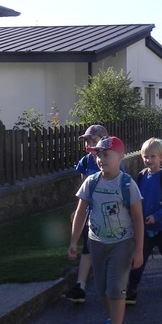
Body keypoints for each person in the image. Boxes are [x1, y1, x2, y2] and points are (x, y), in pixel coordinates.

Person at [68, 136, 144, 324]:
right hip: (96, 242)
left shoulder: (127, 184)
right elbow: (80, 213)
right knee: (102, 288)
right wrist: (73, 241)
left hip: (122, 243)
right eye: (98, 155)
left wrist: (139, 250)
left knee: (116, 288)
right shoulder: (91, 182)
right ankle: (112, 319)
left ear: (120, 157)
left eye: (106, 155)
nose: (100, 159)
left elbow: (138, 219)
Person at [125, 138, 162, 305]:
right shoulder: (141, 176)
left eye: (152, 156)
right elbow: (135, 199)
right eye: (145, 156)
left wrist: (156, 216)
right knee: (139, 257)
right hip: (144, 227)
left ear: (161, 157)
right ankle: (131, 288)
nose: (148, 160)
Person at [65, 124, 108, 303]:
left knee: (108, 248)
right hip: (90, 212)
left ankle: (116, 285)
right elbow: (84, 190)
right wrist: (78, 210)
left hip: (107, 213)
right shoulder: (85, 162)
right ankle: (80, 286)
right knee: (87, 247)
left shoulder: (110, 161)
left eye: (93, 140)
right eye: (87, 141)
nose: (89, 144)